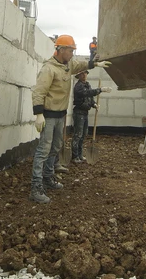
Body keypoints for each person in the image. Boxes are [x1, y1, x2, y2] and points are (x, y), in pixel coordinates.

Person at [31, 35, 110, 203]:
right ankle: (36, 187)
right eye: (70, 50)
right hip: (49, 115)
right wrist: (38, 114)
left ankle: (48, 177)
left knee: (56, 146)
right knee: (43, 150)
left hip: (60, 115)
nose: (72, 54)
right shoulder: (49, 68)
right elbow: (39, 92)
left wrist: (94, 63)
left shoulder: (68, 65)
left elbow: (80, 65)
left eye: (73, 50)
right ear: (60, 50)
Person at [71, 70, 110, 162]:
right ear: (78, 76)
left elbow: (90, 98)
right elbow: (87, 93)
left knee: (83, 134)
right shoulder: (78, 87)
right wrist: (100, 90)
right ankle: (74, 156)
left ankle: (80, 155)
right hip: (79, 112)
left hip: (84, 113)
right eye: (82, 74)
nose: (84, 75)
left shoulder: (87, 85)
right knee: (78, 135)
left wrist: (94, 104)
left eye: (85, 73)